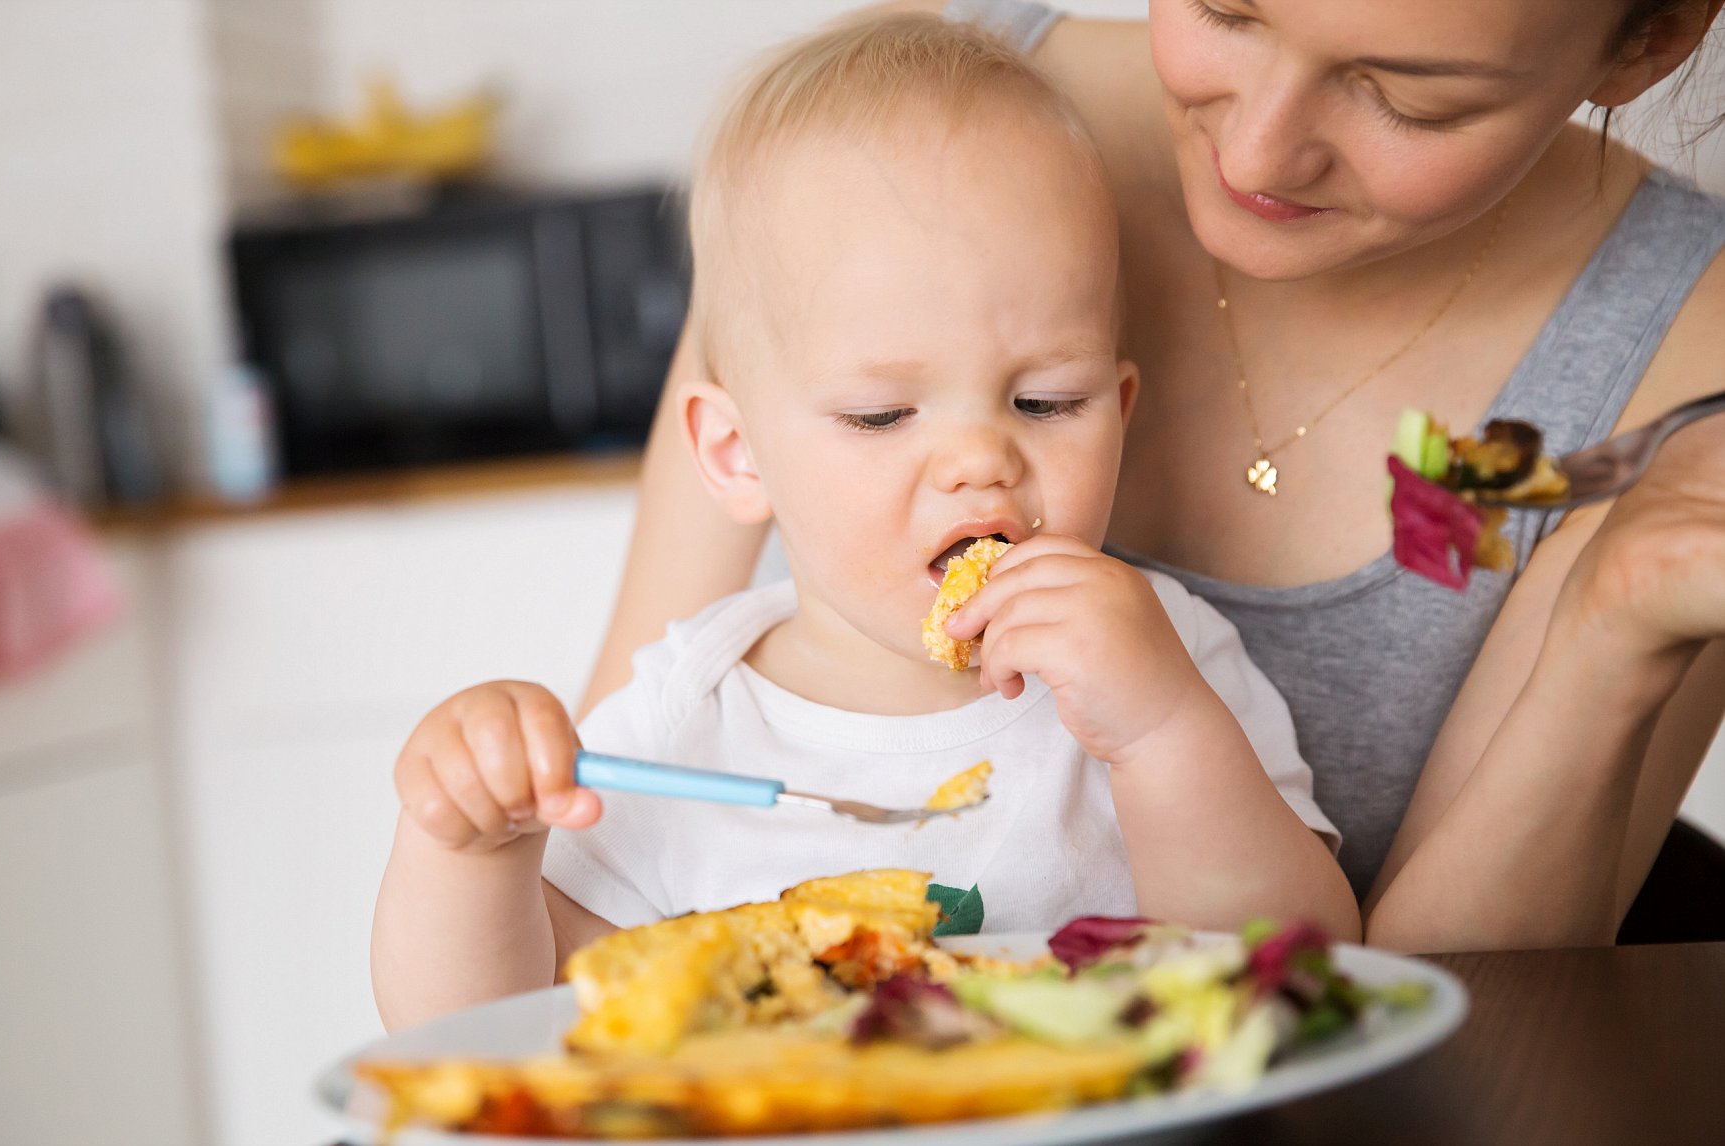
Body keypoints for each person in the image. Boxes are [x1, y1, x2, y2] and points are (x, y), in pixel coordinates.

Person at [584, 0, 1725, 955]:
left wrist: (1614, 627)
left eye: (1413, 97)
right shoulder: (881, 130)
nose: (1261, 152)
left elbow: (1423, 1033)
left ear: (1650, 42)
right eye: (1228, 7)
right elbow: (599, 854)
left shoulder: (1688, 357)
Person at [372, 14, 1360, 1029]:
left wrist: (1161, 733)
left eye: (1046, 402)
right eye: (883, 415)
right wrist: (469, 852)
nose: (982, 459)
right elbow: (488, 1026)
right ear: (736, 453)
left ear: (1122, 411)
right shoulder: (689, 719)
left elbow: (1311, 971)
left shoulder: (1165, 657)